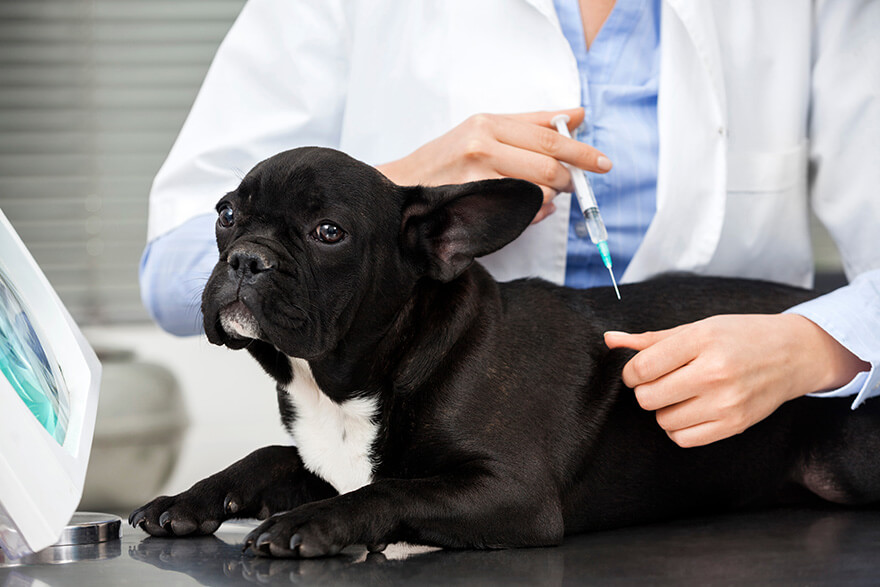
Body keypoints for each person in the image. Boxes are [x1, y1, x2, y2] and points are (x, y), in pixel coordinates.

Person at [140, 0, 880, 448]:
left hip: (735, 482)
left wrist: (816, 345)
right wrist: (386, 193)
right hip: (428, 483)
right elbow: (171, 273)